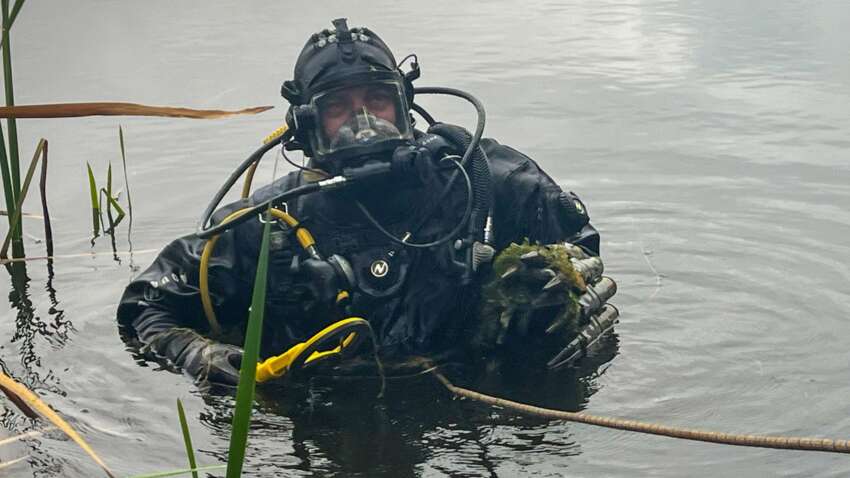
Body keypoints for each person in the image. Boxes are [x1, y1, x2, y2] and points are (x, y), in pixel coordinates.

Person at [117, 18, 607, 388]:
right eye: (339, 108)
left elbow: (583, 254)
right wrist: (197, 354)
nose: (364, 121)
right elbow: (146, 307)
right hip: (323, 409)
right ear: (307, 125)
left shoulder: (488, 182)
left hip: (472, 396)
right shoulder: (266, 223)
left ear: (404, 103)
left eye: (377, 100)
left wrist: (564, 292)